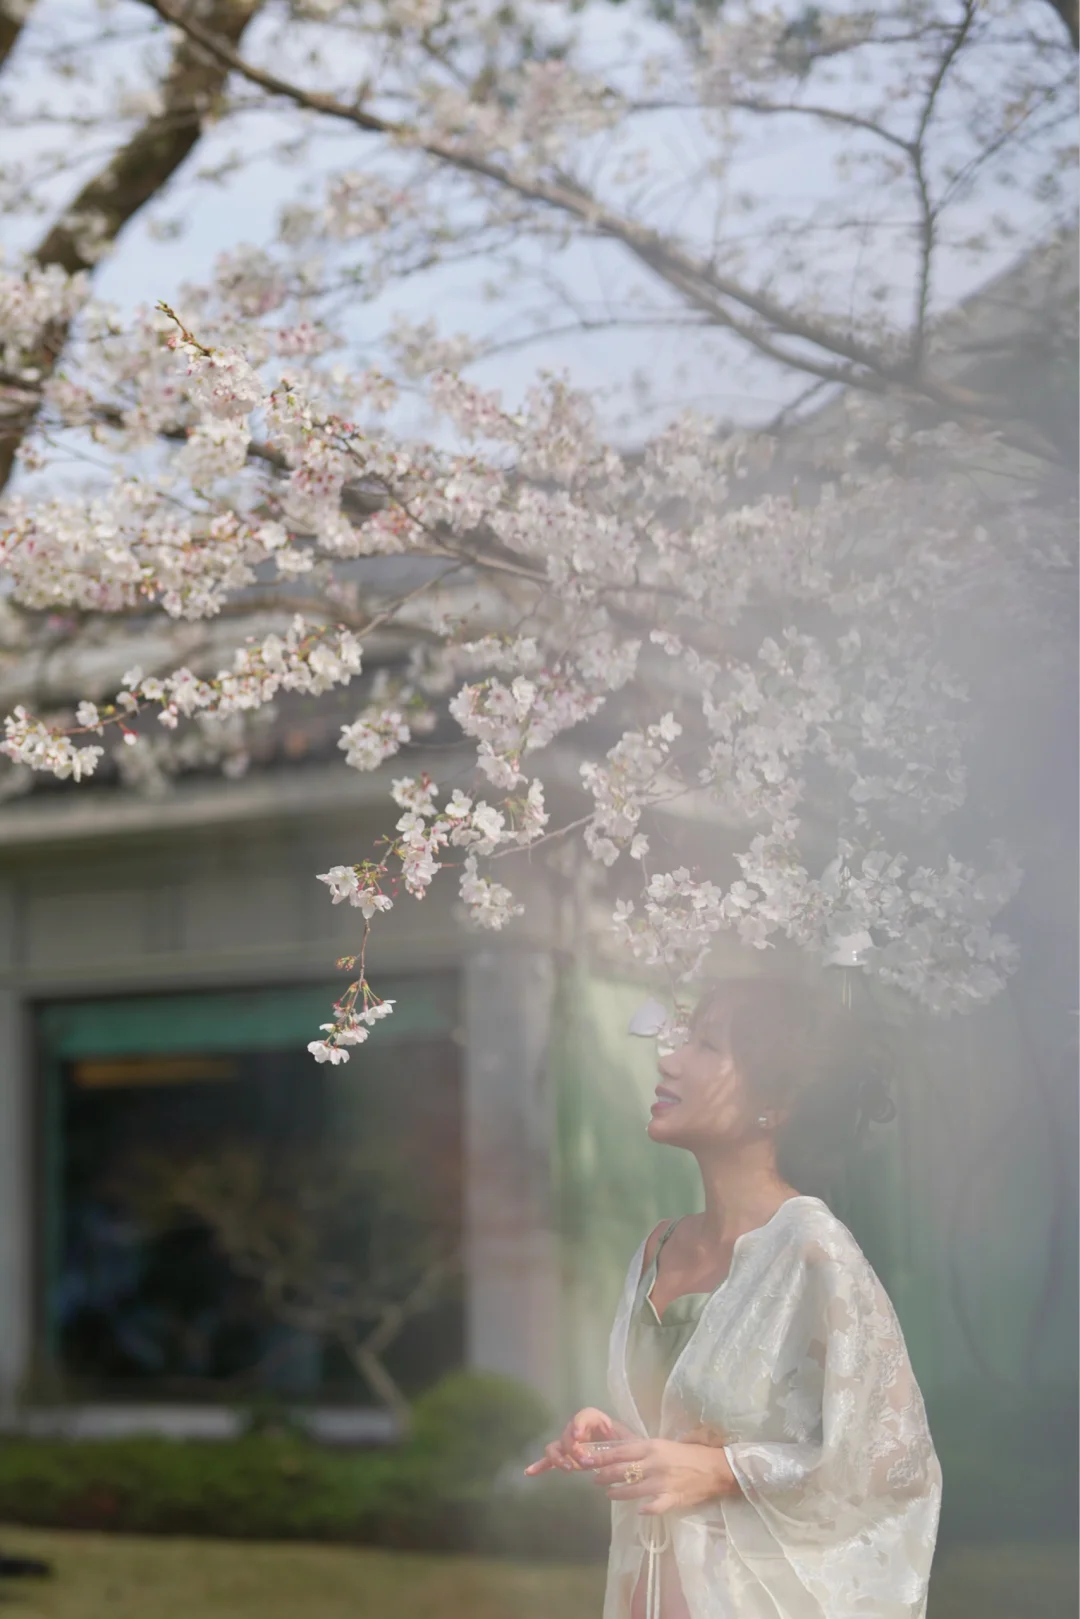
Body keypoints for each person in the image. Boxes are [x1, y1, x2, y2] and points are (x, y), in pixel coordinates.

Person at [525, 977, 941, 1619]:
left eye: (707, 1046)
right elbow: (697, 1431)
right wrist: (625, 1441)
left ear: (775, 1102)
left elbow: (892, 1466)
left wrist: (724, 1471)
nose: (670, 1058)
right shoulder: (657, 1248)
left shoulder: (812, 1248)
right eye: (686, 1039)